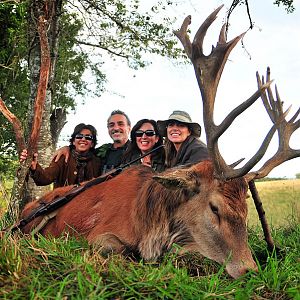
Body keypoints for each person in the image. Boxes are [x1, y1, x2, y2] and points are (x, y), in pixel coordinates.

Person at [20, 123, 101, 188]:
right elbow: (45, 178)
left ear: (92, 144)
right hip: (64, 205)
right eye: (79, 136)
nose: (83, 139)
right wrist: (34, 166)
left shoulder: (98, 161)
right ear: (73, 141)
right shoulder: (63, 157)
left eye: (88, 137)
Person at [54, 110, 131, 175]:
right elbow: (82, 152)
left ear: (129, 128)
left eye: (121, 124)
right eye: (111, 125)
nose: (116, 128)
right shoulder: (101, 151)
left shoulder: (137, 150)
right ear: (108, 129)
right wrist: (67, 148)